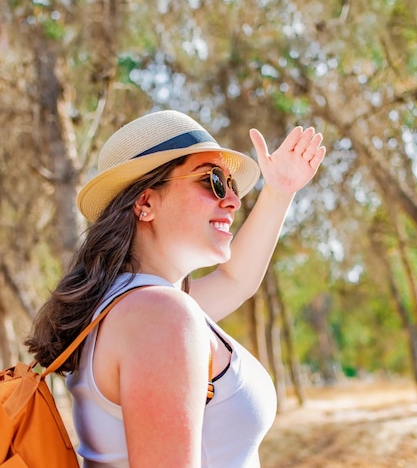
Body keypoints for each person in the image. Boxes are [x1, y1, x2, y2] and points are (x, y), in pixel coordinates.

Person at [26, 109, 325, 468]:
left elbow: (236, 281)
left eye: (230, 184)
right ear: (146, 203)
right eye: (213, 181)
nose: (233, 199)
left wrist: (279, 191)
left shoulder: (131, 306)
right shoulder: (159, 315)